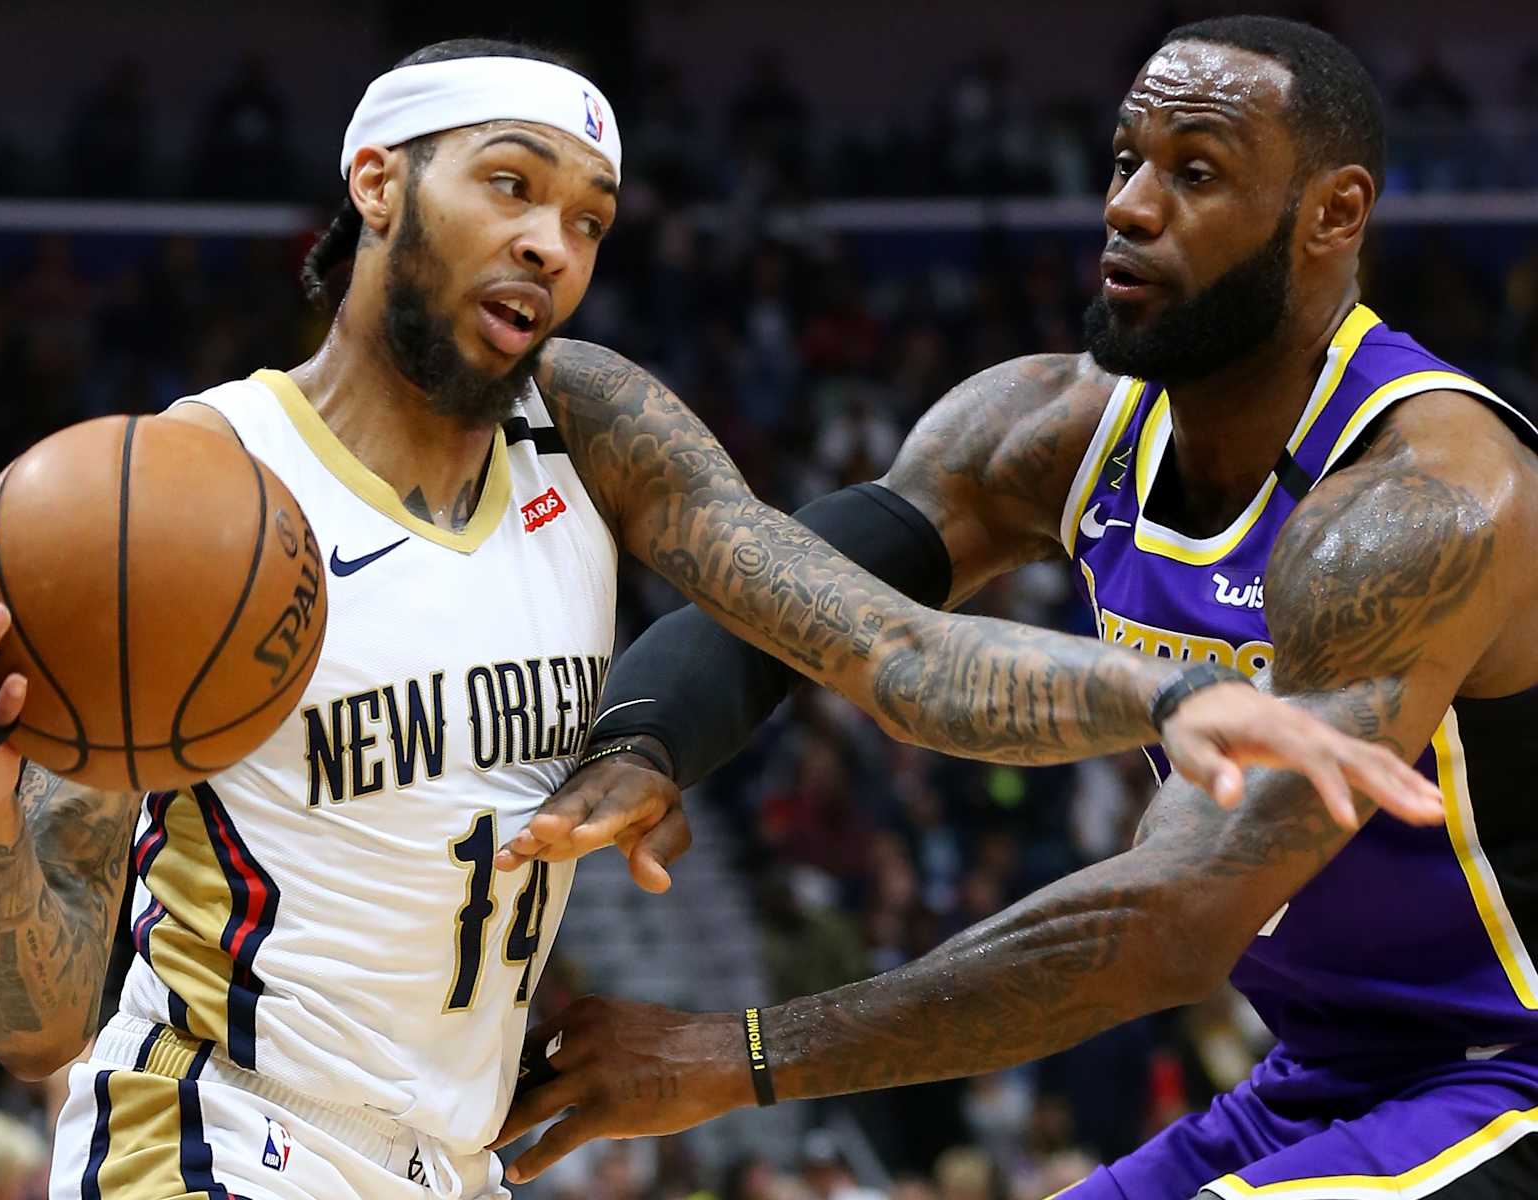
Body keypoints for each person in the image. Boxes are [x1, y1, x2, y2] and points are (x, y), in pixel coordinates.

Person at [0, 36, 1434, 1200]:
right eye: (510, 186)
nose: (552, 244)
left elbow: (884, 644)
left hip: (457, 1161)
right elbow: (38, 1024)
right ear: (377, 182)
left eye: (589, 217)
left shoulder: (588, 418)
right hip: (213, 1137)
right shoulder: (188, 500)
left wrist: (1159, 697)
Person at [494, 16, 1538, 1198]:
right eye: (1126, 160)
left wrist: (736, 1055)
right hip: (1327, 1074)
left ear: (1333, 215)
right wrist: (647, 741)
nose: (1129, 207)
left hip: (1511, 1074)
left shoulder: (1419, 506)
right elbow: (804, 590)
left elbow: (1176, 919)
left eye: (1195, 173)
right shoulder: (1054, 430)